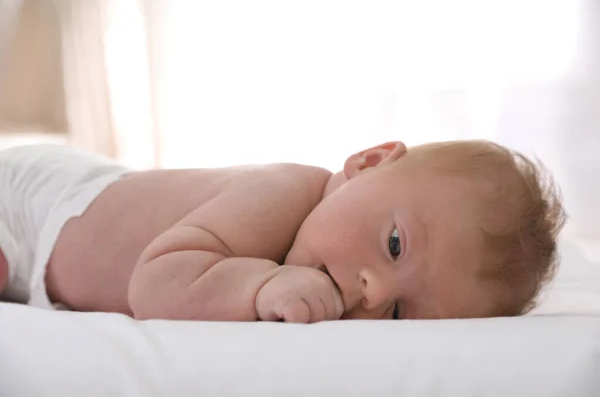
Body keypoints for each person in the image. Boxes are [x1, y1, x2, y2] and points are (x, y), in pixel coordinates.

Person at [0, 140, 566, 323]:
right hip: (30, 202)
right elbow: (153, 283)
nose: (372, 292)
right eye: (395, 245)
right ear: (368, 163)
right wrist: (257, 289)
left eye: (398, 313)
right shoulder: (280, 196)